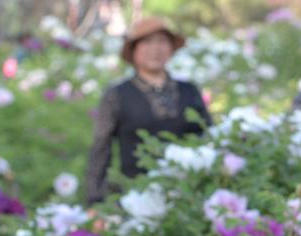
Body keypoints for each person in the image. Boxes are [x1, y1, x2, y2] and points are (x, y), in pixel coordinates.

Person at [84, 17, 211, 204]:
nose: (155, 49)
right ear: (134, 50)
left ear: (170, 48)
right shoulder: (117, 94)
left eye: (162, 41)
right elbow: (101, 149)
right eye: (147, 42)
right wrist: (95, 200)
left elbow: (208, 137)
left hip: (190, 194)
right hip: (138, 196)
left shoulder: (189, 90)